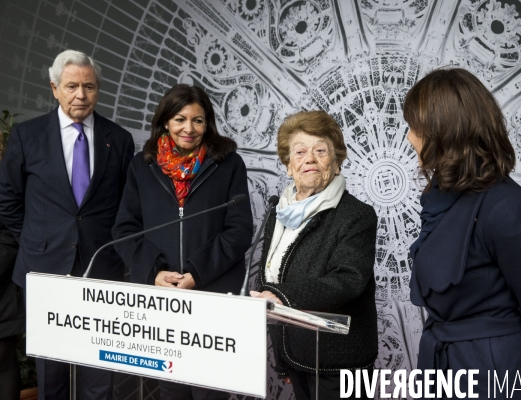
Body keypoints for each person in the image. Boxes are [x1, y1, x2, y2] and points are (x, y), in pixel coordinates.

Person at [404, 68, 521, 397]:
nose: (409, 138)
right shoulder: (440, 199)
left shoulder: (504, 206)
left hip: (495, 372)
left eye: (415, 127)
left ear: (444, 131)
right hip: (447, 368)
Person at [0, 49, 134, 400]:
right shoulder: (27, 135)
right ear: (54, 88)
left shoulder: (117, 139)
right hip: (44, 267)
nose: (81, 95)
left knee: (98, 369)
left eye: (89, 86)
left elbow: (125, 206)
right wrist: (35, 240)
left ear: (98, 90)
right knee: (52, 372)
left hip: (101, 266)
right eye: (72, 86)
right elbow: (8, 199)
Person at [112, 84, 253, 399]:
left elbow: (239, 230)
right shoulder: (141, 165)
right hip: (161, 302)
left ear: (208, 123)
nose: (189, 128)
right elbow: (124, 229)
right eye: (180, 119)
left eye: (198, 120)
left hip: (214, 298)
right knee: (170, 390)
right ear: (165, 121)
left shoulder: (229, 163)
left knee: (211, 391)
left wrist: (196, 273)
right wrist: (155, 272)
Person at [250, 110, 378, 400]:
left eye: (320, 150)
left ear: (336, 163)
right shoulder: (278, 212)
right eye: (300, 152)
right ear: (288, 166)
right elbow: (271, 277)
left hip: (340, 363)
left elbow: (348, 281)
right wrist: (282, 358)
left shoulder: (357, 215)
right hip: (295, 355)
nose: (309, 158)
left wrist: (281, 296)